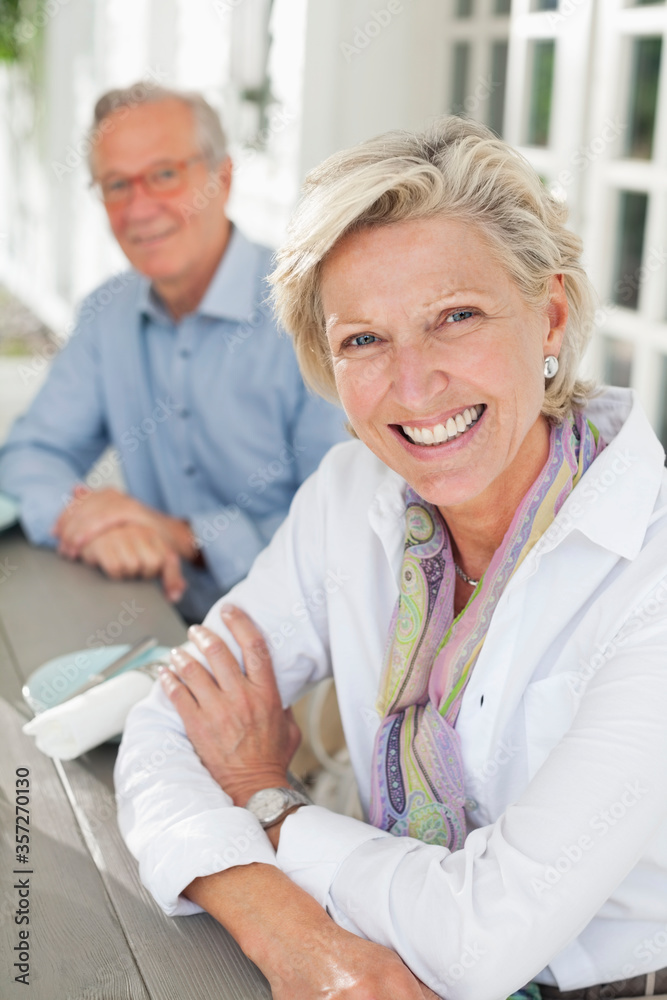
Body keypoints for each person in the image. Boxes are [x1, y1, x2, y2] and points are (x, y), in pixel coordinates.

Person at [114, 117, 667, 999]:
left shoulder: (651, 570)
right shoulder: (351, 495)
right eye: (363, 340)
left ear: (550, 315)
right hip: (368, 961)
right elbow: (168, 723)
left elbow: (484, 943)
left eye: (455, 317)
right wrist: (283, 928)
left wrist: (270, 799)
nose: (413, 386)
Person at [0, 84, 345, 622]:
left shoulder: (317, 313)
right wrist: (91, 523)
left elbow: (340, 527)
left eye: (163, 175)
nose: (139, 207)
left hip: (300, 638)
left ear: (222, 178)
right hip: (147, 612)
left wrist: (187, 537)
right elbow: (29, 456)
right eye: (116, 184)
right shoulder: (106, 314)